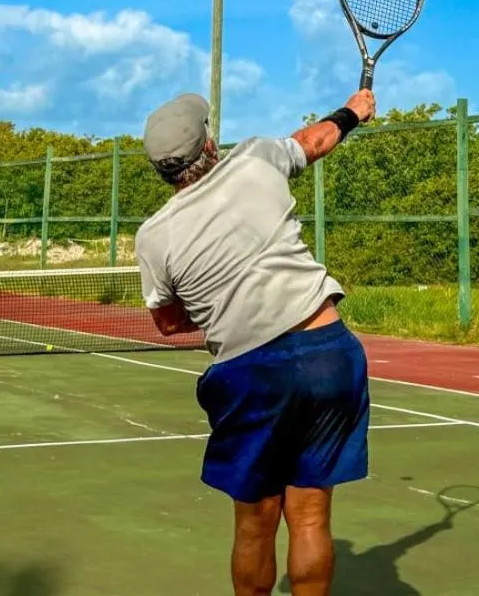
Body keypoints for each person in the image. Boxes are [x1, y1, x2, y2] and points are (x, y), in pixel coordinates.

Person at [133, 89, 376, 596]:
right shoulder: (257, 159)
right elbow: (315, 140)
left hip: (251, 375)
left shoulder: (154, 237)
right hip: (330, 350)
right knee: (310, 516)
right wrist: (354, 111)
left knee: (255, 522)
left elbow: (169, 323)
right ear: (210, 143)